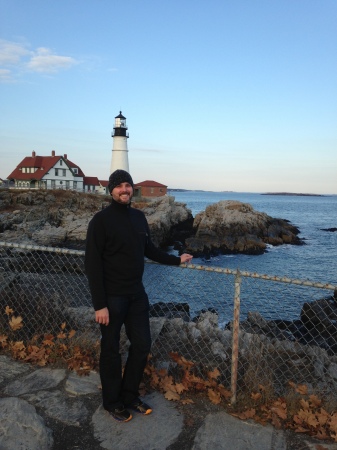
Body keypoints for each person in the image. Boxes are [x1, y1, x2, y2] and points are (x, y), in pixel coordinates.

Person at [85, 169, 193, 422]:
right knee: (110, 350)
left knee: (142, 345)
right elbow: (92, 265)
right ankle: (112, 402)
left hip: (136, 296)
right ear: (111, 190)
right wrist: (99, 305)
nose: (124, 189)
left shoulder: (139, 218)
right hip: (112, 298)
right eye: (119, 186)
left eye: (127, 185)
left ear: (132, 189)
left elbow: (150, 250)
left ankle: (130, 394)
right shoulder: (100, 221)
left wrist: (176, 260)